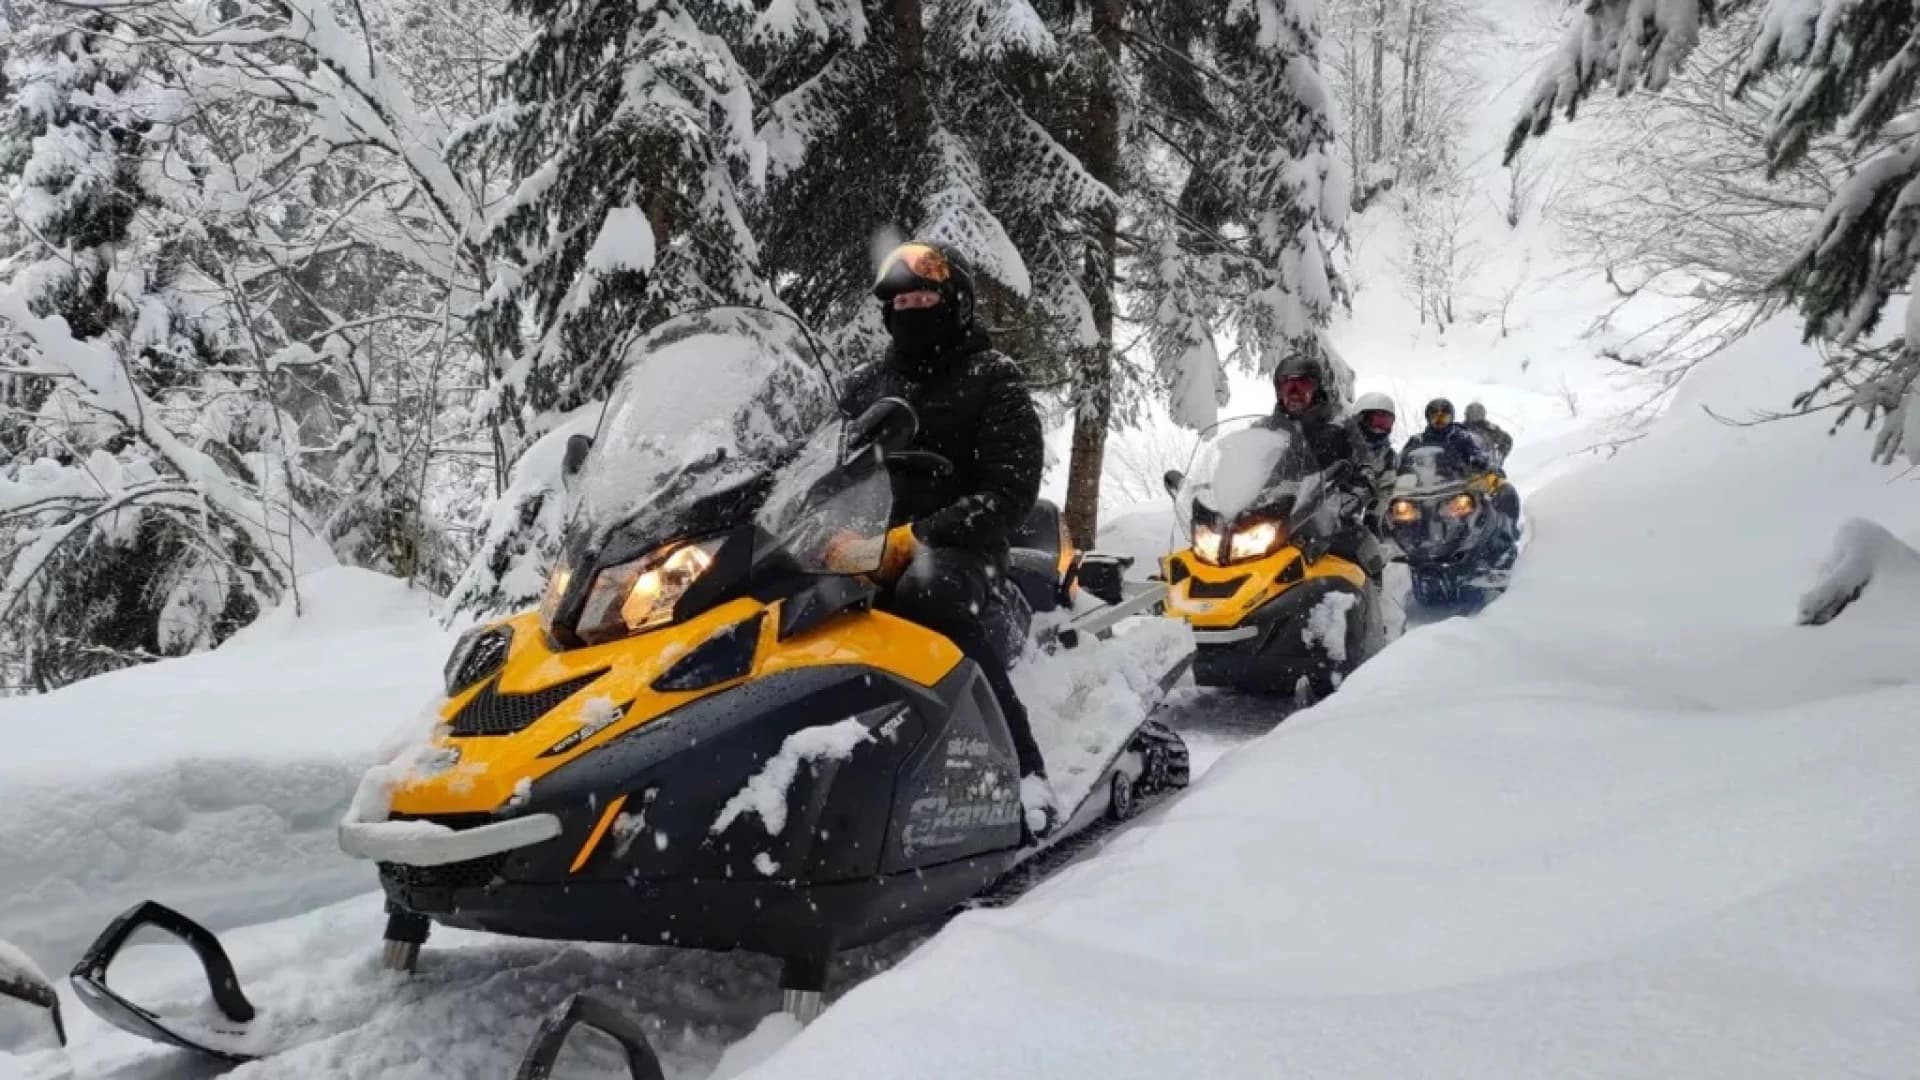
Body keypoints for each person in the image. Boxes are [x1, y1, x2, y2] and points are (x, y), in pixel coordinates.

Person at [828, 240, 1056, 832]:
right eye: (901, 301)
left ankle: (1023, 772)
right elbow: (816, 458)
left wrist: (915, 539)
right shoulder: (864, 384)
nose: (912, 308)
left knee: (928, 595)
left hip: (961, 550)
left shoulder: (993, 378)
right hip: (857, 546)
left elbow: (1010, 490)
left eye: (925, 296)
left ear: (954, 302)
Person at [1264, 353, 1378, 573]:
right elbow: (1247, 467)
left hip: (1328, 515)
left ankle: (1373, 598)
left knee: (1360, 548)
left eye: (1303, 385)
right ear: (1278, 391)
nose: (1295, 393)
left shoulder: (1339, 425)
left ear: (1315, 388)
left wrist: (1357, 492)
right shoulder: (1267, 430)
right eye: (1288, 386)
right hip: (1275, 518)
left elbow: (1365, 464)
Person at [1401, 397, 1494, 475]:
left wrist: (1480, 461)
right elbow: (1401, 462)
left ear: (1451, 418)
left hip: (1457, 487)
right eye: (1434, 417)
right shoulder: (1417, 440)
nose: (1439, 421)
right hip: (1422, 489)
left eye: (1444, 417)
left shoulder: (1462, 438)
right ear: (1428, 419)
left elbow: (1477, 455)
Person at [1350, 392, 1398, 529]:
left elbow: (1387, 488)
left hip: (1357, 515)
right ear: (1361, 418)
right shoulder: (1343, 443)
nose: (1379, 429)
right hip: (1330, 507)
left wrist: (1375, 513)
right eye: (1376, 421)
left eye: (1385, 423)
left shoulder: (1387, 455)